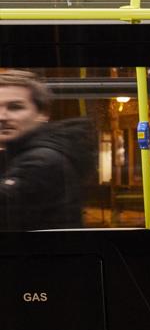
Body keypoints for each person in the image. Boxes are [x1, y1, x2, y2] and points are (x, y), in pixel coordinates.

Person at [0, 70, 95, 231]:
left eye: (15, 107)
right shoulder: (23, 153)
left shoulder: (43, 160)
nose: (2, 116)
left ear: (42, 114)